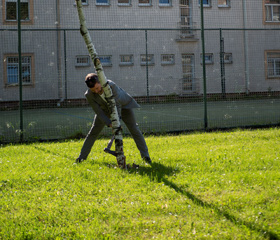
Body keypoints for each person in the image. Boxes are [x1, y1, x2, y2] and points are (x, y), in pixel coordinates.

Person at [76, 73, 151, 165]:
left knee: (134, 129)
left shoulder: (111, 85)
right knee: (93, 132)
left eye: (97, 88)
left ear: (100, 81)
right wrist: (109, 123)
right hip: (105, 111)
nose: (96, 91)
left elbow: (117, 105)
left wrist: (116, 122)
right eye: (93, 90)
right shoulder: (89, 95)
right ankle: (81, 158)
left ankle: (146, 156)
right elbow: (98, 112)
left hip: (123, 107)